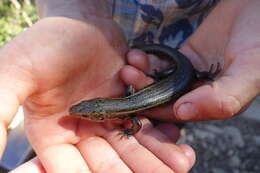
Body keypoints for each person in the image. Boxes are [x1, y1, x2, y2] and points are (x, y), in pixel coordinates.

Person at [4, 0, 260, 172]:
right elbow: (133, 115)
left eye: (86, 112)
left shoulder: (126, 112)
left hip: (188, 64)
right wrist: (78, 14)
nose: (82, 112)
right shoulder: (124, 109)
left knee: (182, 104)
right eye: (86, 111)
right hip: (168, 72)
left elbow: (136, 123)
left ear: (102, 113)